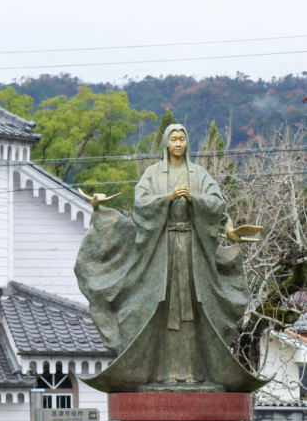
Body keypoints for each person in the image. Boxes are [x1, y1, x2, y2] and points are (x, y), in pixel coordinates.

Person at [74, 124, 268, 393]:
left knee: (191, 308)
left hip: (192, 249)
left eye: (182, 139)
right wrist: (168, 197)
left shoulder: (199, 174)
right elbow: (141, 204)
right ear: (166, 143)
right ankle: (160, 373)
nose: (178, 144)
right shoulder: (153, 174)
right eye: (173, 139)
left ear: (187, 143)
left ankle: (193, 372)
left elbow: (217, 204)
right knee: (162, 308)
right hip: (161, 250)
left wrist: (194, 199)